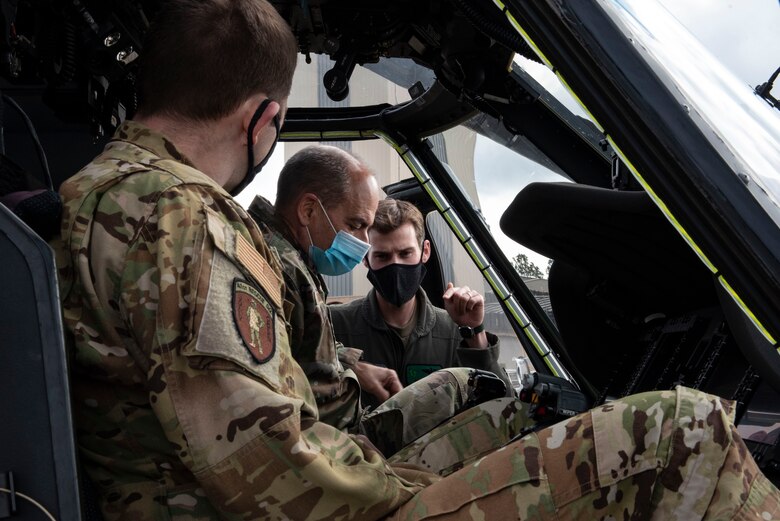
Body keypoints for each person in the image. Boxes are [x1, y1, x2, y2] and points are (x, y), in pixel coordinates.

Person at [54, 0, 780, 518]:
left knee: (501, 414)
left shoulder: (104, 193)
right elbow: (269, 474)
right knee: (680, 434)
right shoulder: (180, 215)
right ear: (263, 117)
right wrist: (415, 489)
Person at [247, 145, 491, 452]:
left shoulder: (291, 268)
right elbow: (281, 405)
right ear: (308, 211)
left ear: (424, 252)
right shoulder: (272, 269)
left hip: (344, 448)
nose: (362, 242)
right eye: (356, 225)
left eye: (406, 254)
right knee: (454, 384)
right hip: (339, 452)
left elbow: (299, 350)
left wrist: (352, 364)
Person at [330, 199, 512, 406]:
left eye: (405, 253)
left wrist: (475, 333)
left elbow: (504, 407)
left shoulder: (454, 332)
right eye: (382, 256)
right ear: (365, 258)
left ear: (425, 251)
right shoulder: (334, 324)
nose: (395, 265)